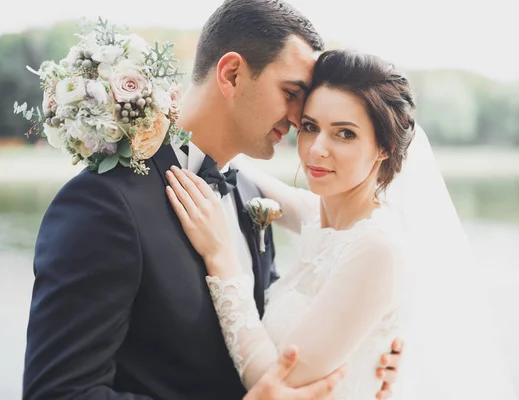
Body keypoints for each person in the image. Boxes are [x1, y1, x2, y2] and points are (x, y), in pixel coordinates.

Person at [22, 1, 402, 399]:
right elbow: (59, 392)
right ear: (232, 74)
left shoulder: (251, 196)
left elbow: (268, 335)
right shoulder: (105, 203)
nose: (297, 117)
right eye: (291, 93)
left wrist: (363, 354)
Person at [166, 49, 519, 399]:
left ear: (384, 146)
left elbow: (278, 385)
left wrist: (222, 256)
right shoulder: (323, 215)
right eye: (309, 127)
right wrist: (157, 119)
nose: (317, 149)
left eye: (345, 134)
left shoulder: (378, 247)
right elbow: (230, 168)